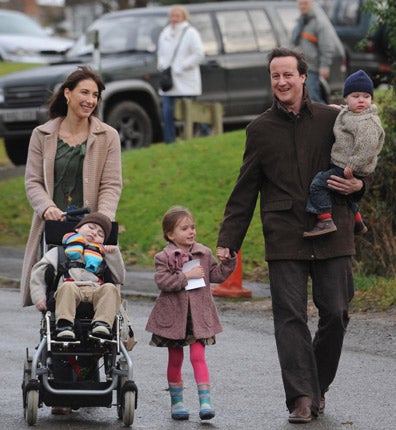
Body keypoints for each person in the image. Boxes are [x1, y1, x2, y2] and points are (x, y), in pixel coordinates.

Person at [216, 48, 368, 424]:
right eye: (275, 76)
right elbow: (245, 188)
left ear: (303, 76)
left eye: (288, 74)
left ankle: (317, 386)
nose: (281, 81)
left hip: (333, 230)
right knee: (290, 318)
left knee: (337, 313)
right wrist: (228, 239)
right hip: (284, 234)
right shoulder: (259, 129)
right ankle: (301, 397)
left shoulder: (334, 119)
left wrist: (358, 186)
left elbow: (361, 165)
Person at [21, 66, 123, 310]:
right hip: (54, 225)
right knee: (53, 281)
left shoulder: (108, 136)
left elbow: (111, 184)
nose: (90, 100)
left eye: (95, 95)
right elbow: (33, 181)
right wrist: (46, 207)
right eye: (84, 93)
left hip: (91, 228)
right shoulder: (42, 134)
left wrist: (103, 221)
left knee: (96, 285)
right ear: (67, 93)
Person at [146, 206, 236, 421]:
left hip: (198, 315)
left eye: (193, 227)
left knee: (198, 356)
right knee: (175, 359)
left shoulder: (203, 253)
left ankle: (205, 402)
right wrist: (186, 276)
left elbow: (216, 275)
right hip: (174, 317)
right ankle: (177, 402)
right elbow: (163, 282)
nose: (191, 232)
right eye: (184, 228)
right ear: (170, 234)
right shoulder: (163, 257)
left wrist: (229, 262)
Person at [303, 69, 385, 238]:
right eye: (356, 96)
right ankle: (357, 220)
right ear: (346, 98)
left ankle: (324, 219)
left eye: (366, 96)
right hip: (346, 163)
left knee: (319, 184)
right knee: (344, 192)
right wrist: (340, 109)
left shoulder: (367, 122)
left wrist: (352, 166)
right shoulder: (352, 113)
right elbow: (349, 115)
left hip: (350, 166)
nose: (361, 100)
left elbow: (367, 147)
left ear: (371, 98)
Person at [30, 212, 124, 340]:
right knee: (68, 286)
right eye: (91, 227)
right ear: (78, 228)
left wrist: (113, 255)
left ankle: (102, 323)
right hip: (69, 290)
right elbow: (38, 274)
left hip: (96, 291)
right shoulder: (59, 252)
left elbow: (119, 278)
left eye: (100, 234)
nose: (94, 233)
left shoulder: (104, 256)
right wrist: (39, 297)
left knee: (110, 288)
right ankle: (65, 324)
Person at [157, 4, 205, 143]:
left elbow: (199, 54)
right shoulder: (165, 33)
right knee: (167, 112)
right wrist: (162, 65)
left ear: (184, 17)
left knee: (191, 112)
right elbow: (161, 53)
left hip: (186, 80)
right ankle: (169, 141)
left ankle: (204, 134)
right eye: (172, 16)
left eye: (177, 16)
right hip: (169, 81)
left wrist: (182, 66)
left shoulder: (191, 32)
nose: (174, 19)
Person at [291, 0, 334, 103]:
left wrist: (325, 66)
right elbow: (293, 41)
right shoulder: (300, 23)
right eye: (300, 4)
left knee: (314, 99)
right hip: (299, 67)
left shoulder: (319, 23)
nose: (302, 6)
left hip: (312, 68)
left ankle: (327, 118)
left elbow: (327, 46)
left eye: (305, 3)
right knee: (303, 99)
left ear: (312, 4)